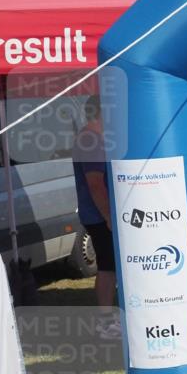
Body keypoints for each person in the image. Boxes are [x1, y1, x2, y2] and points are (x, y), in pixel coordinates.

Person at [72, 95, 119, 337]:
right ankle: (105, 322)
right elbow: (95, 184)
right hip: (99, 216)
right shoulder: (91, 139)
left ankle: (109, 319)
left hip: (101, 215)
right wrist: (109, 216)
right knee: (108, 267)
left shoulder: (95, 137)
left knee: (110, 266)